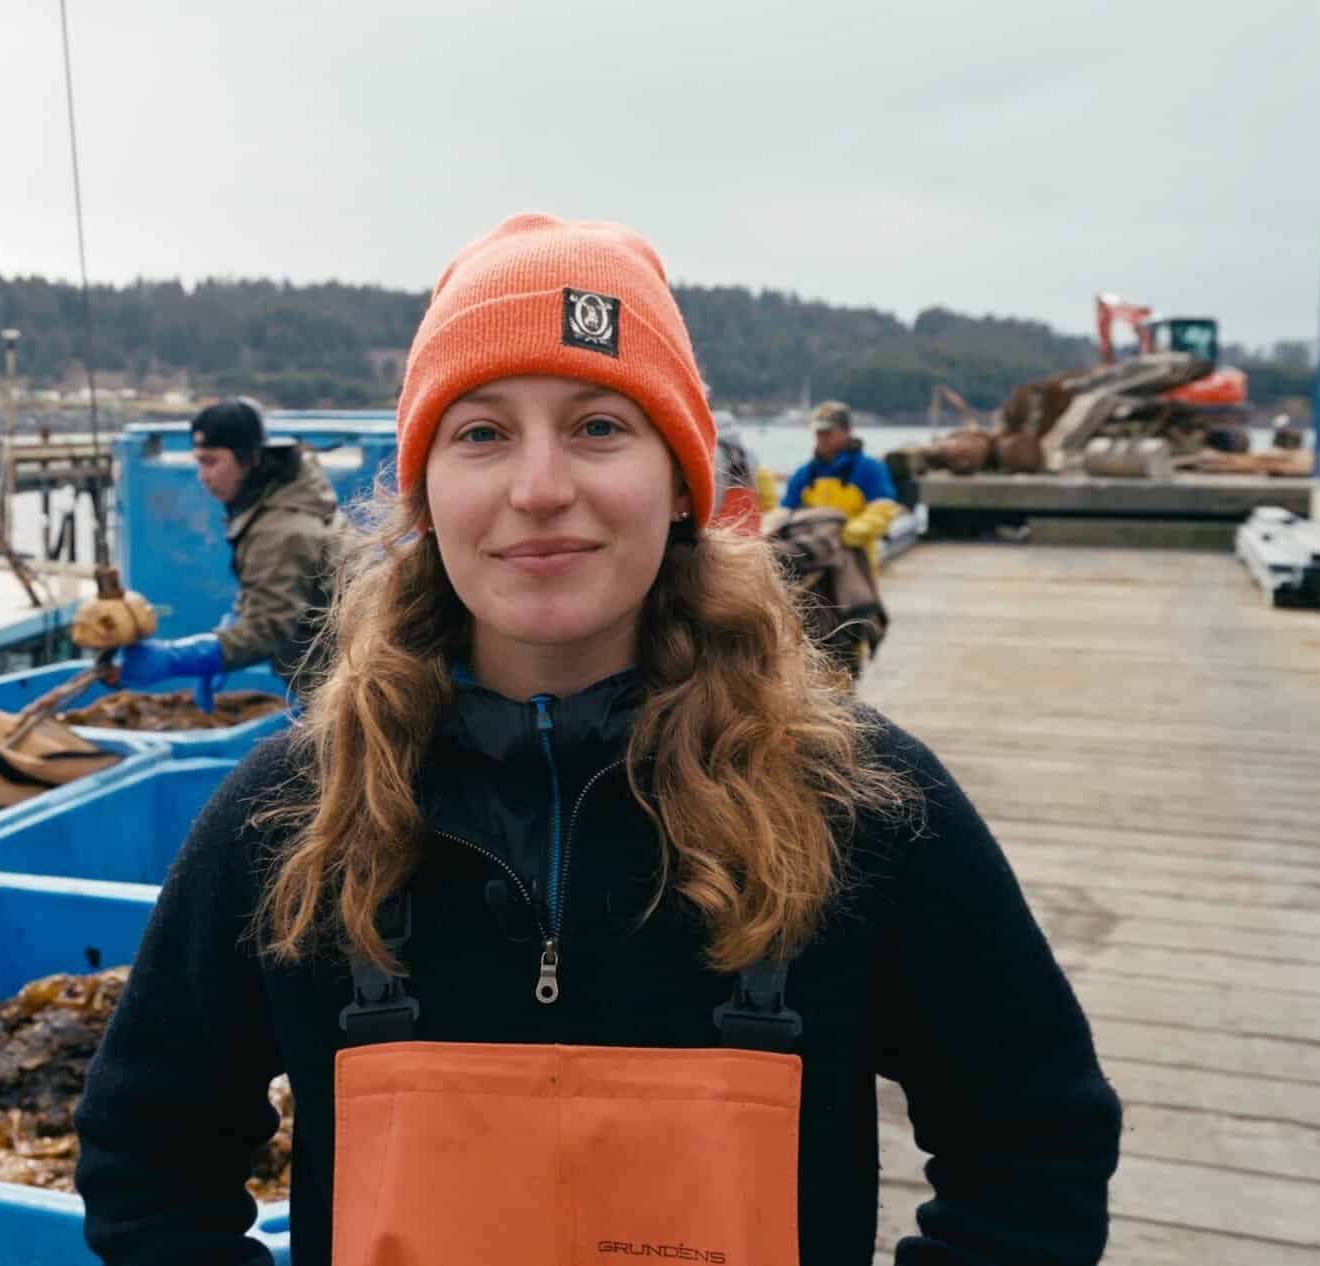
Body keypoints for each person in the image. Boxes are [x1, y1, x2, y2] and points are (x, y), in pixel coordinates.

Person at [75, 213, 1120, 1266]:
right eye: (480, 433)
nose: (538, 489)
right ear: (424, 493)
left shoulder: (861, 799)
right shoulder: (295, 812)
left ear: (680, 484)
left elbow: (1033, 1145)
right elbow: (147, 1156)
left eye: (598, 427)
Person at [114, 399, 343, 708]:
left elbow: (267, 629)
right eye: (198, 462)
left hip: (340, 688)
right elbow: (268, 589)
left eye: (211, 462)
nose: (202, 475)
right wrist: (229, 629)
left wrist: (185, 657)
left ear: (248, 459)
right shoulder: (278, 495)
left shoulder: (284, 528)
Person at [780, 399, 897, 509]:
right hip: (813, 529)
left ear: (847, 431)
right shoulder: (803, 473)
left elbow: (884, 509)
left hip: (856, 529)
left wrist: (850, 530)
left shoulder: (871, 469)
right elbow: (786, 509)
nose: (822, 437)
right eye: (818, 432)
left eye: (828, 432)